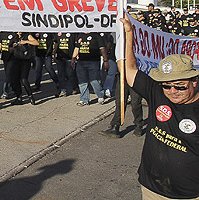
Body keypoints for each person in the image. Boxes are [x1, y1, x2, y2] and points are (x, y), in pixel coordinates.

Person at [120, 15, 199, 199]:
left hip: (189, 195)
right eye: (167, 85)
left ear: (194, 81)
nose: (172, 91)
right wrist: (129, 33)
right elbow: (130, 70)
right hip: (151, 190)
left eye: (180, 86)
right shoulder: (157, 92)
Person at [72, 32, 109, 106]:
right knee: (82, 82)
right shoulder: (80, 35)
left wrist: (105, 60)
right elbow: (77, 48)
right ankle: (84, 100)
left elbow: (102, 49)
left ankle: (100, 95)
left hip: (93, 62)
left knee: (94, 81)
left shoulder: (96, 36)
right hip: (81, 62)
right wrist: (73, 58)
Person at [10, 32, 39, 105]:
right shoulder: (14, 37)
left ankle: (30, 96)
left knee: (23, 79)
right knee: (15, 79)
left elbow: (36, 43)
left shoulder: (27, 35)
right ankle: (19, 97)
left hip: (26, 60)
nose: (19, 32)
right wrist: (13, 46)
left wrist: (26, 41)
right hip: (16, 59)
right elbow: (10, 49)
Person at [54, 32, 79, 97]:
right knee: (61, 74)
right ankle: (63, 90)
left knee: (70, 73)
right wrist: (54, 53)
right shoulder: (58, 32)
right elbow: (56, 43)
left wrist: (76, 55)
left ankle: (74, 87)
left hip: (70, 57)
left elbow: (76, 44)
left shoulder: (72, 33)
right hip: (60, 57)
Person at [0, 31, 18, 99]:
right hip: (5, 57)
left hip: (13, 57)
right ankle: (13, 88)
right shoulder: (2, 33)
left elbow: (16, 45)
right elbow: (0, 46)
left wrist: (13, 48)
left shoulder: (14, 34)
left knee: (9, 75)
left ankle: (5, 92)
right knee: (8, 74)